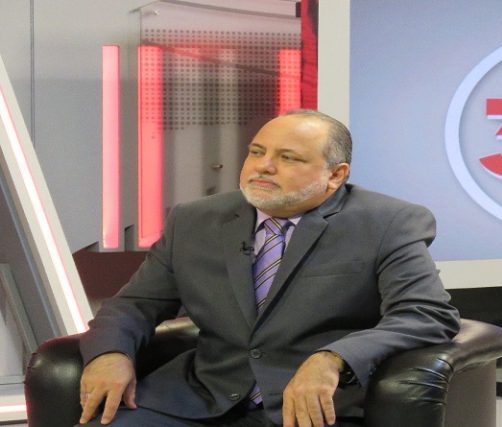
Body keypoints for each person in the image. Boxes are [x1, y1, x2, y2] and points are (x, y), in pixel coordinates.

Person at [77, 109, 461, 427]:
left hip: (314, 409)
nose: (264, 167)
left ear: (335, 174)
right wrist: (110, 354)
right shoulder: (194, 220)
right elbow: (136, 304)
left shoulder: (387, 223)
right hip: (201, 399)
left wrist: (333, 358)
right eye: (257, 152)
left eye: (288, 158)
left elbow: (426, 313)